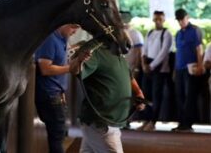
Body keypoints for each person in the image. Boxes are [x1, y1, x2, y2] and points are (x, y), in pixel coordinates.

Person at [73, 44, 145, 153]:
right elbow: (76, 70)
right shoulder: (96, 52)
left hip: (110, 122)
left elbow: (128, 75)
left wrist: (138, 92)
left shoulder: (118, 53)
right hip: (101, 122)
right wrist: (79, 60)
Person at [34, 24, 80, 153]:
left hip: (56, 92)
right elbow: (45, 68)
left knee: (60, 134)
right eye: (73, 27)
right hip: (49, 93)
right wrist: (70, 68)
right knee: (57, 136)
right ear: (63, 24)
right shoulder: (50, 39)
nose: (75, 31)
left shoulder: (62, 39)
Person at [139, 10, 173, 131]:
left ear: (163, 20)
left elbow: (163, 53)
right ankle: (146, 119)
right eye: (155, 19)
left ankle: (153, 121)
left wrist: (151, 66)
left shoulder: (167, 34)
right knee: (145, 95)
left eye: (160, 19)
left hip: (159, 69)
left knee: (156, 95)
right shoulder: (150, 33)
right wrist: (144, 64)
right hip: (147, 67)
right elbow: (144, 50)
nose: (157, 21)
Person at [173, 8, 204, 132]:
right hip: (179, 68)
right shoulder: (178, 33)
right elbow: (178, 52)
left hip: (191, 68)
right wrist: (174, 70)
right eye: (179, 20)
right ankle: (181, 122)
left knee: (189, 96)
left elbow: (199, 49)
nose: (181, 22)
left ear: (187, 17)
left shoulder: (195, 30)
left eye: (182, 19)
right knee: (179, 95)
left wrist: (200, 65)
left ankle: (188, 123)